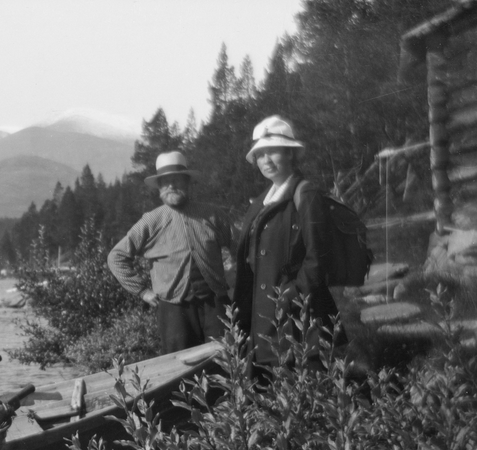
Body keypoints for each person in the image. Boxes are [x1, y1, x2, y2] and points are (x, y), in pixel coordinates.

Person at [233, 115, 342, 368]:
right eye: (260, 154)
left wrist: (291, 294)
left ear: (291, 154)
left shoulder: (306, 194)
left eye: (273, 152)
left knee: (302, 387)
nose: (266, 160)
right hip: (265, 317)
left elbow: (318, 256)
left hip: (297, 316)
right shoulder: (261, 202)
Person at [108, 151, 232, 355]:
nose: (171, 186)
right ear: (158, 188)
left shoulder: (213, 215)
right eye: (165, 182)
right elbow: (116, 257)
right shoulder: (151, 221)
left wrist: (232, 280)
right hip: (174, 309)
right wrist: (142, 291)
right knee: (179, 368)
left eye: (177, 180)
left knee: (224, 361)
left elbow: (238, 247)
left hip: (215, 304)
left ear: (189, 182)